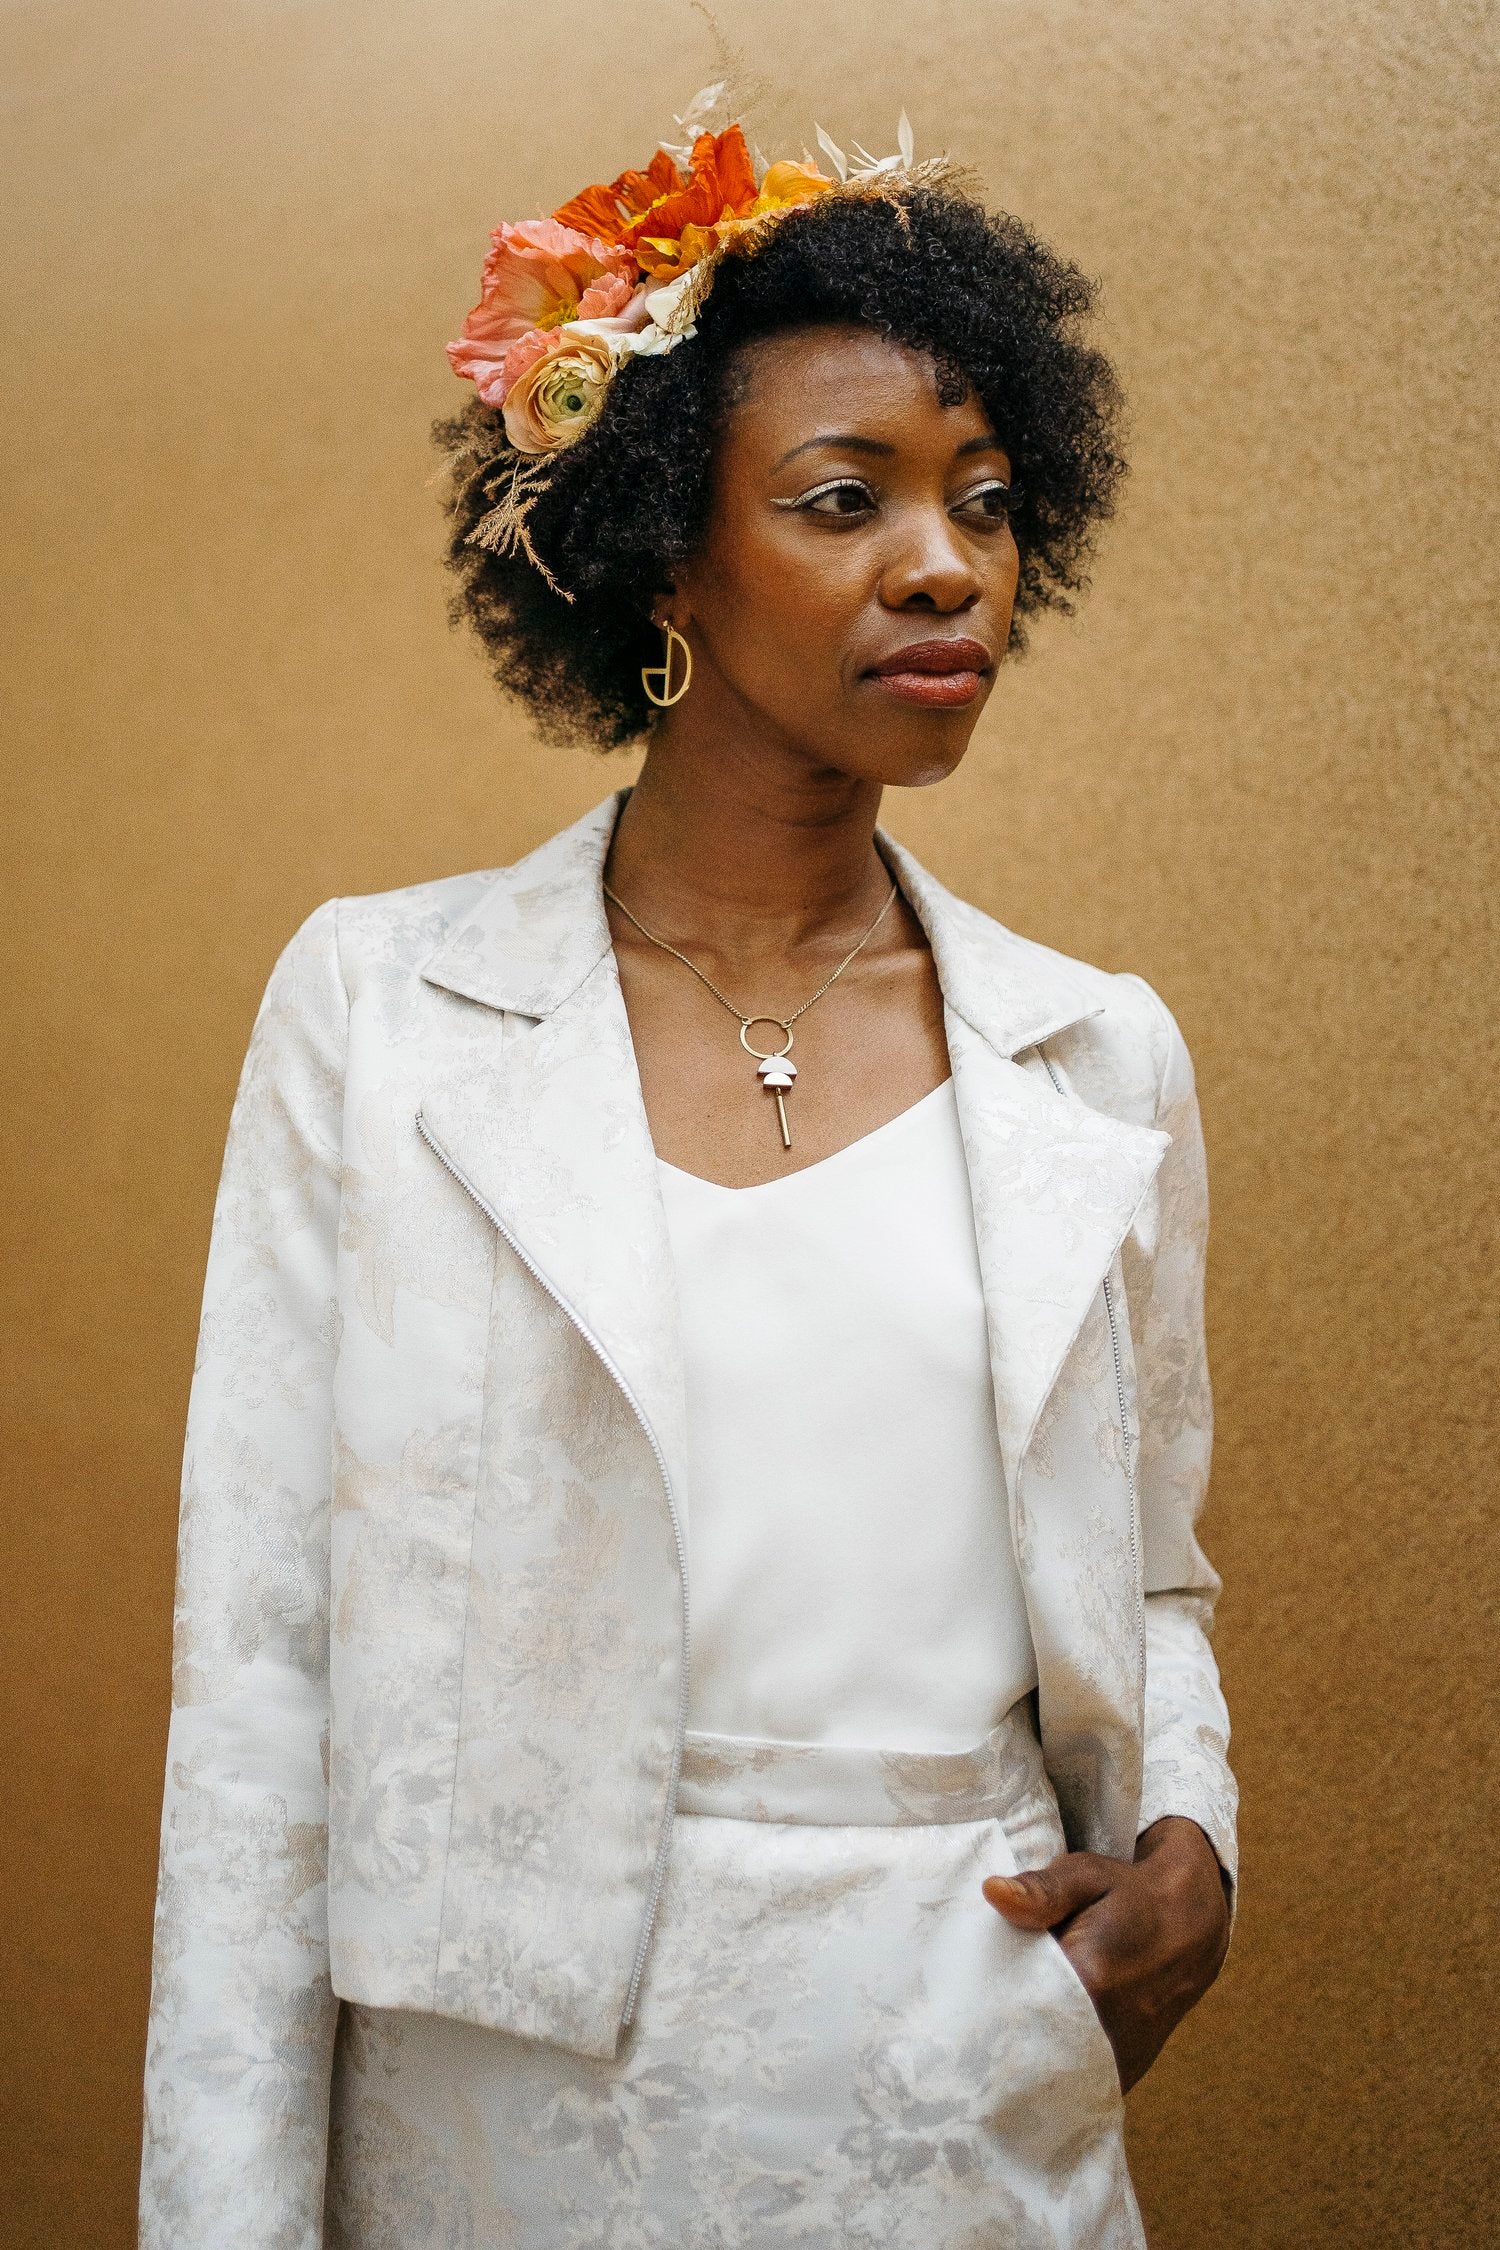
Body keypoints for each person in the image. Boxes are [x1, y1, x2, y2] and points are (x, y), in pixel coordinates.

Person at [139, 92, 1237, 2250]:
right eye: (847, 501)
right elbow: (261, 1684)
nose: (947, 564)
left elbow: (1159, 1578)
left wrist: (1197, 1829)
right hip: (502, 2117)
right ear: (663, 548)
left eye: (989, 505)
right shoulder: (378, 1017)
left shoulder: (1095, 1063)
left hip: (961, 2069)